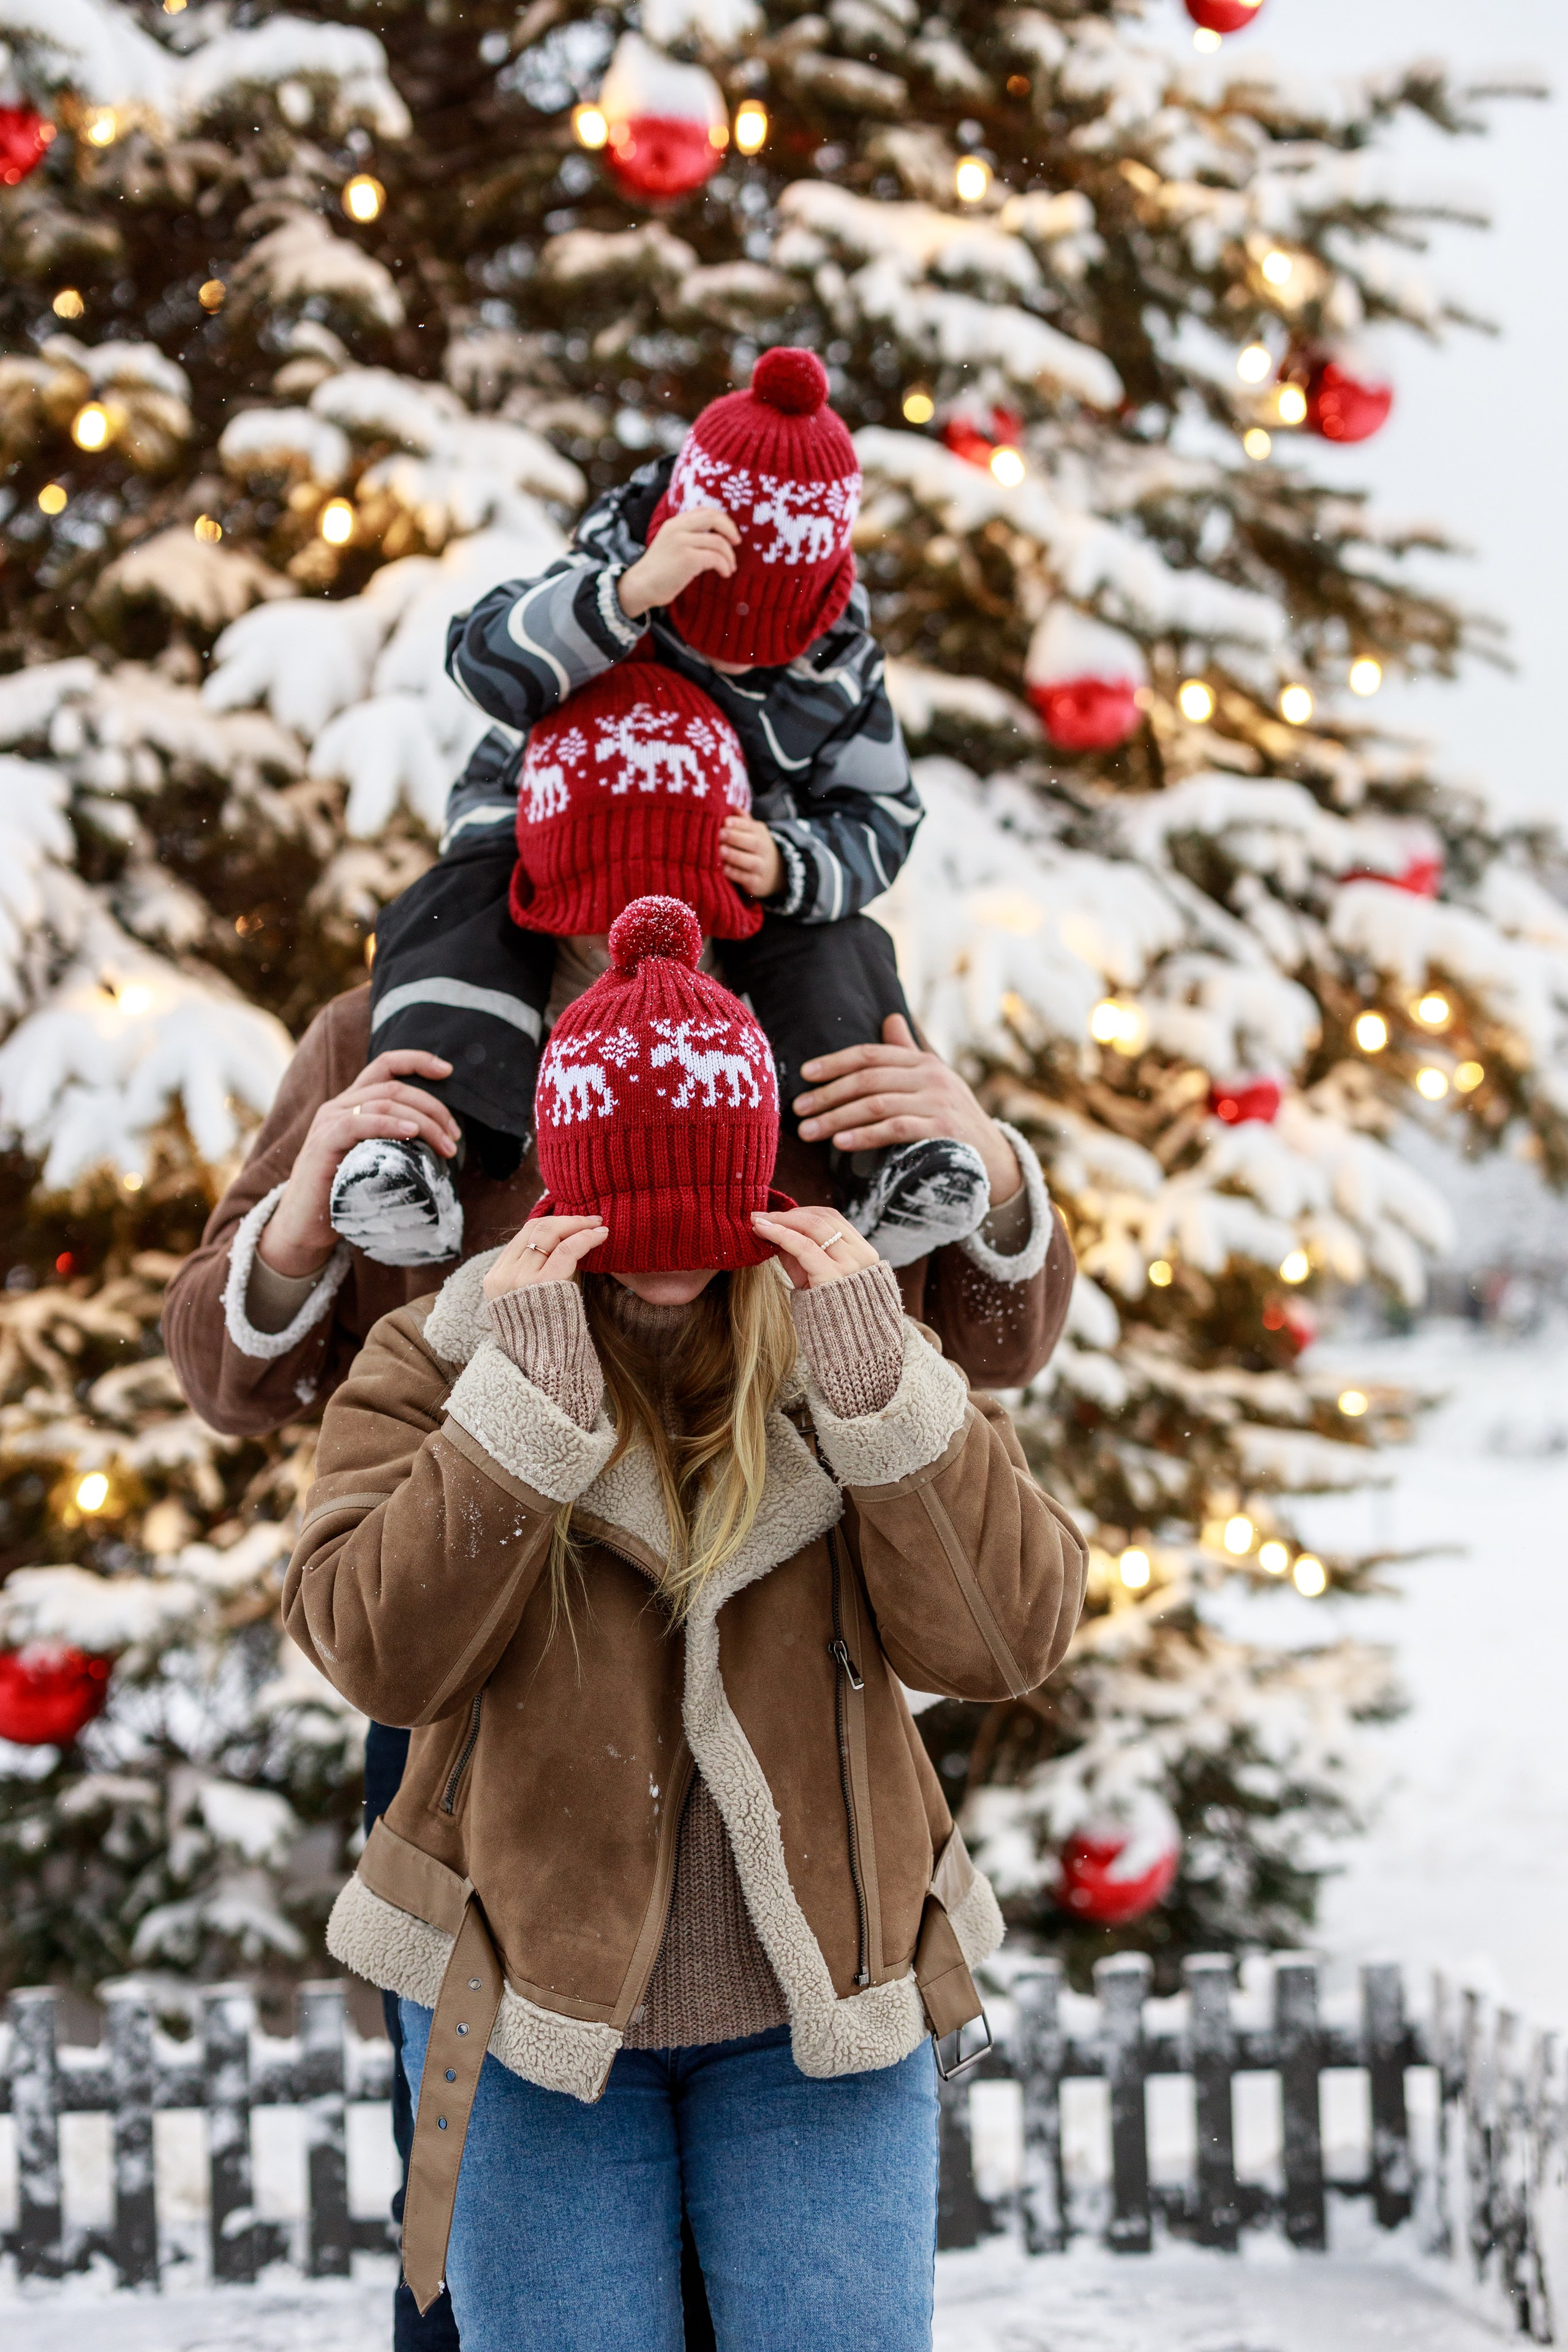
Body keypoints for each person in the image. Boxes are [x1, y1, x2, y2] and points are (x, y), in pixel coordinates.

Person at [163, 910, 1073, 2350]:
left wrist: (880, 1389)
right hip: (525, 1986)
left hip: (822, 1992)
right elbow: (373, 1646)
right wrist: (512, 1421)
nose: (663, 1244)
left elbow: (1007, 1637)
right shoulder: (434, 1312)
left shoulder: (837, 1268)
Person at [326, 344, 989, 1273]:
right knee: (450, 930)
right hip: (530, 843)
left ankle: (887, 1161)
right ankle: (415, 1151)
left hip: (733, 883)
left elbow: (882, 812)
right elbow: (482, 658)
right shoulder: (616, 564)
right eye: (715, 624)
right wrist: (629, 593)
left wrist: (794, 862)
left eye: (766, 641)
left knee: (840, 952)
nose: (737, 660)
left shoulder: (837, 664)